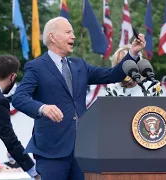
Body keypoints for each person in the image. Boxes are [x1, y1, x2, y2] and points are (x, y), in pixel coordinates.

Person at [12, 16, 146, 180]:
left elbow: (113, 74)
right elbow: (19, 98)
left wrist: (133, 53)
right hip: (51, 152)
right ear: (53, 37)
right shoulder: (36, 67)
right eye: (68, 32)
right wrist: (43, 108)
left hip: (81, 151)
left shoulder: (80, 65)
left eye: (73, 33)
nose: (73, 36)